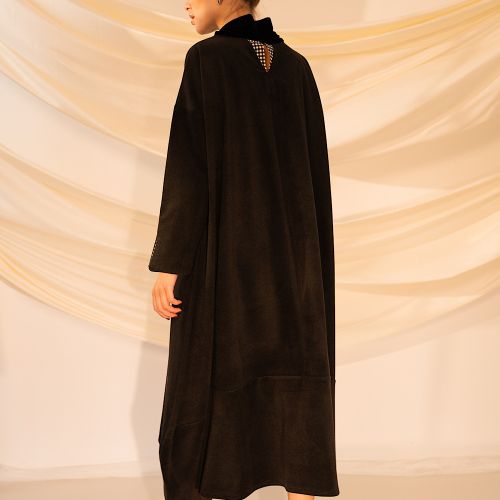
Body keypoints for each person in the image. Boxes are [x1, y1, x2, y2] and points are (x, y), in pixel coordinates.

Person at [149, 1, 340, 499]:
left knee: (200, 390)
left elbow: (188, 169)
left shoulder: (206, 60)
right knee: (297, 384)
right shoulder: (297, 68)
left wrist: (170, 263)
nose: (185, 3)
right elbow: (315, 181)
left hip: (223, 267)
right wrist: (313, 269)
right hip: (295, 270)